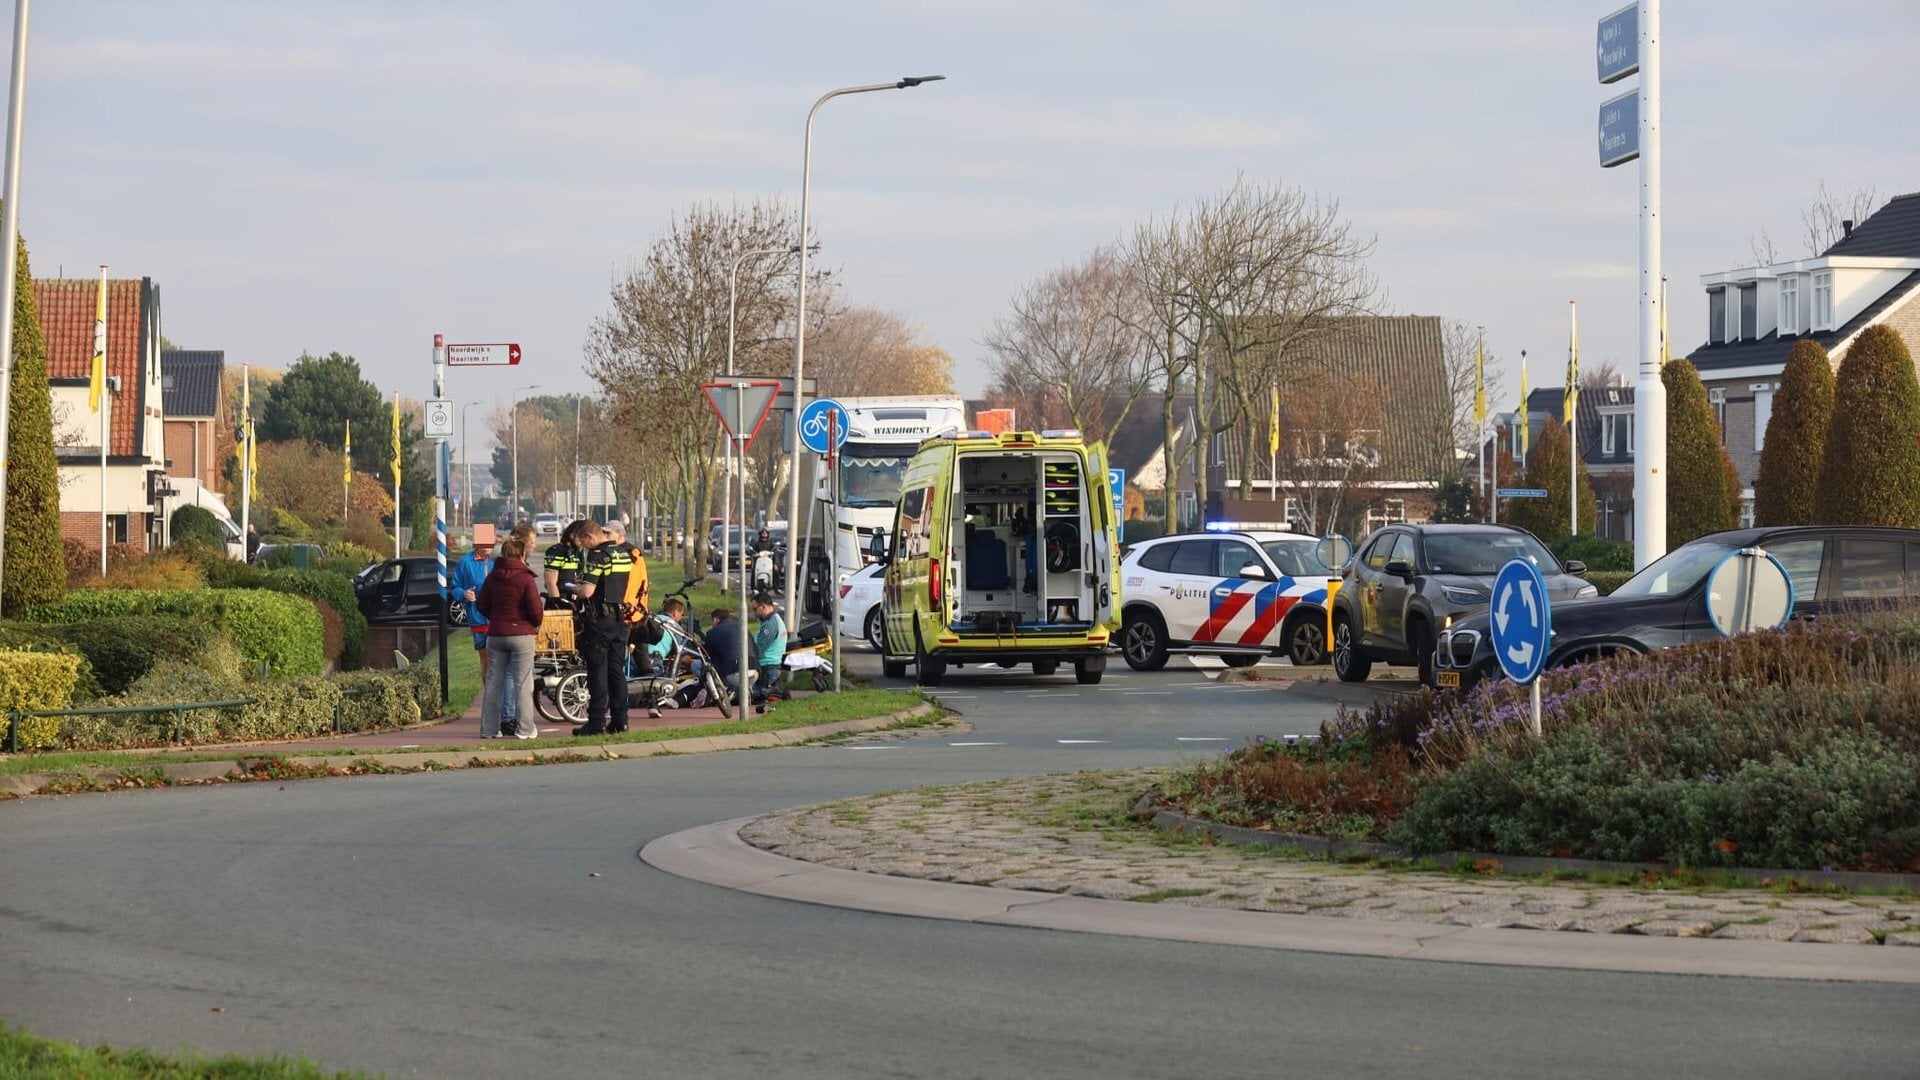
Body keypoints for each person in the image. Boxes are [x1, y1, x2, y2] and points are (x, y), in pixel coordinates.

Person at [475, 534, 543, 739]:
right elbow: (535, 609)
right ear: (522, 554)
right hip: (522, 634)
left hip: (495, 634)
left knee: (494, 681)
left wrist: (495, 618)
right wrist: (533, 623)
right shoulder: (525, 578)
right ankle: (524, 729)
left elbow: (481, 604)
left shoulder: (492, 577)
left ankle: (489, 729)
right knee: (523, 682)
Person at [572, 520, 635, 736]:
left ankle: (596, 722)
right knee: (617, 672)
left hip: (599, 621)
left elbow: (588, 592)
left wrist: (577, 589)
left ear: (590, 537)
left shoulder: (597, 556)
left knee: (597, 672)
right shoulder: (623, 554)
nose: (585, 547)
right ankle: (621, 720)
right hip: (618, 619)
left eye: (583, 543)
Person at [452, 527, 497, 685]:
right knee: (486, 659)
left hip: (498, 618)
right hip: (478, 618)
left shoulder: (496, 562)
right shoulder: (465, 563)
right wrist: (464, 594)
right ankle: (489, 694)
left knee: (499, 660)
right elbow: (455, 587)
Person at [748, 591, 787, 716]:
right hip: (771, 667)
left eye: (755, 609)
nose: (754, 613)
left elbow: (758, 649)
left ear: (763, 606)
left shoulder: (769, 626)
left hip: (767, 668)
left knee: (747, 693)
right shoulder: (775, 620)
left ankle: (772, 693)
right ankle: (773, 693)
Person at [544, 520, 587, 605]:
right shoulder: (556, 551)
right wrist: (558, 604)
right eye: (581, 537)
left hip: (574, 601)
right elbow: (550, 583)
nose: (583, 540)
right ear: (572, 535)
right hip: (560, 602)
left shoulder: (578, 552)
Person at [704, 608, 741, 698]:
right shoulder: (742, 628)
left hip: (732, 672)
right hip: (754, 669)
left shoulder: (712, 633)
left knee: (698, 665)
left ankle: (714, 690)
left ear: (716, 619)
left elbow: (708, 656)